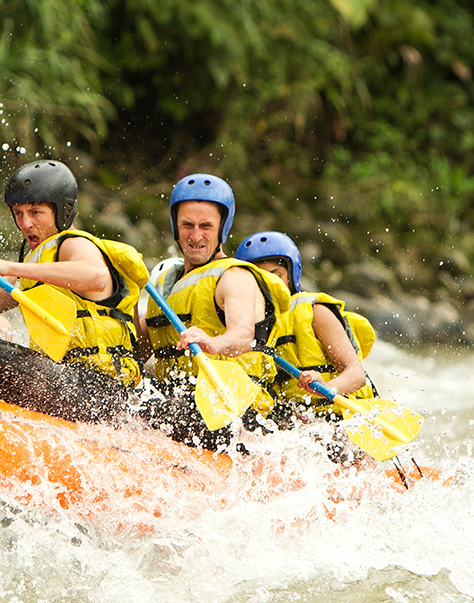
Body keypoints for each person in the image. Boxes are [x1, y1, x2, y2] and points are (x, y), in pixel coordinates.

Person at [0, 160, 149, 425]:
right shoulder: (37, 260)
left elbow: (96, 277)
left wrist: (10, 266)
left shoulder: (73, 245)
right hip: (69, 383)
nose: (26, 224)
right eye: (18, 213)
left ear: (63, 212)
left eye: (36, 213)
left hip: (97, 390)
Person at [138, 174, 291, 450]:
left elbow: (243, 334)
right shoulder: (164, 286)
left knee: (143, 413)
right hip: (176, 400)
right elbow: (139, 350)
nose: (195, 236)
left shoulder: (234, 277)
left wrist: (213, 342)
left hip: (231, 413)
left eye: (206, 226)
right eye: (187, 225)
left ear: (222, 228)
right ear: (176, 227)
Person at [235, 231, 377, 424]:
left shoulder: (315, 312)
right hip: (291, 425)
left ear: (292, 275)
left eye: (276, 276)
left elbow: (356, 374)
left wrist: (326, 387)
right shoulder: (245, 325)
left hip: (338, 419)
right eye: (260, 279)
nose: (270, 284)